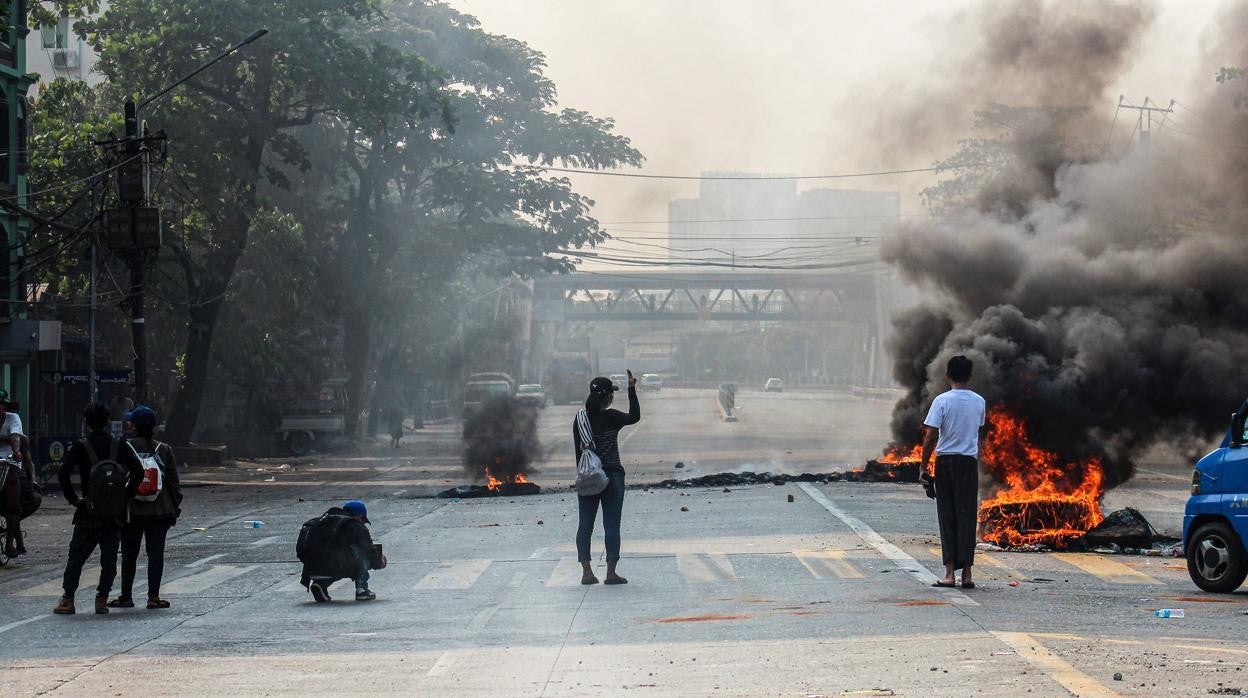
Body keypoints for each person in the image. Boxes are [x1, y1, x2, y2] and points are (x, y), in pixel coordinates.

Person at [54, 403, 144, 615]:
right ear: (107, 422)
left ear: (86, 423)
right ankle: (102, 599)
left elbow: (63, 472)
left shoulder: (81, 446)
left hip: (88, 511)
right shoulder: (119, 445)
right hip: (114, 513)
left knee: (76, 557)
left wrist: (74, 499)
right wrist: (125, 496)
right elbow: (138, 471)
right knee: (109, 558)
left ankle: (68, 600)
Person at [920, 355, 986, 590]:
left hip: (946, 462)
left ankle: (949, 573)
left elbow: (930, 437)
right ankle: (967, 574)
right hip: (968, 464)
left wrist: (923, 466)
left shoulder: (941, 401)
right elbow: (976, 428)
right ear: (969, 376)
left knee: (947, 516)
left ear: (947, 375)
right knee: (967, 517)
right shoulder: (979, 402)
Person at [110, 405, 183, 610]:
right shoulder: (164, 449)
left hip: (131, 511)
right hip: (159, 512)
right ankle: (153, 597)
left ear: (133, 426)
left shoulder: (123, 447)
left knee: (129, 554)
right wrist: (173, 508)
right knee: (156, 554)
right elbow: (174, 485)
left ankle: (126, 596)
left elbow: (117, 478)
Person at [573, 370, 641, 585]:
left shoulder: (580, 420)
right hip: (612, 476)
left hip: (588, 477)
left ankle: (587, 572)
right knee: (611, 525)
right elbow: (634, 417)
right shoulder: (611, 417)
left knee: (585, 526)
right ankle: (611, 573)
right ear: (608, 397)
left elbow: (579, 452)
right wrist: (631, 389)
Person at [298, 500, 384, 602]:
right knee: (361, 551)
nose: (362, 522)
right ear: (359, 516)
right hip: (335, 566)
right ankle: (362, 590)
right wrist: (379, 562)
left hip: (311, 569)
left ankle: (321, 584)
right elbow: (369, 550)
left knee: (334, 555)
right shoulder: (355, 525)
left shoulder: (321, 521)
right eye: (363, 519)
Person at [0, 400, 24, 557]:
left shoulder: (13, 418)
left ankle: (10, 543)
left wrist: (16, 451)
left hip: (9, 462)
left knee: (12, 502)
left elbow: (15, 438)